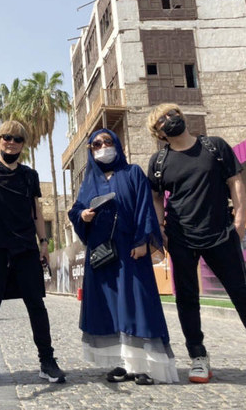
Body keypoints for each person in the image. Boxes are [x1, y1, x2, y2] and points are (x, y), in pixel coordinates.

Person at [146, 103, 246, 384]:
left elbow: (235, 182)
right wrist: (160, 229)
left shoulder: (214, 147)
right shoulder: (158, 163)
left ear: (182, 117)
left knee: (242, 295)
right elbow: (157, 198)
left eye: (173, 114)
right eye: (162, 120)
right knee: (187, 300)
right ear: (158, 133)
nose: (170, 120)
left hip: (220, 234)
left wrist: (240, 222)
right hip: (180, 237)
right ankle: (198, 357)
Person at [68, 129, 178, 385]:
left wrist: (143, 242)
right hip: (101, 255)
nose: (103, 146)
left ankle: (144, 366)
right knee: (109, 308)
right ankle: (121, 364)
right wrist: (82, 215)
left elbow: (145, 207)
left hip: (130, 252)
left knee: (137, 305)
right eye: (96, 144)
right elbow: (76, 209)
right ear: (91, 150)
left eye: (107, 141)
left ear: (117, 144)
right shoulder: (89, 181)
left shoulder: (133, 173)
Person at [0, 120, 66, 383]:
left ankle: (47, 360)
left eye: (17, 139)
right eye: (6, 137)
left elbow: (36, 212)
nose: (11, 142)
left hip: (24, 247)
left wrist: (43, 243)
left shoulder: (29, 175)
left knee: (36, 304)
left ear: (23, 144)